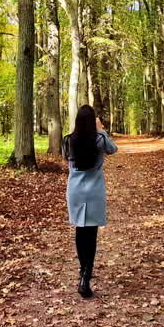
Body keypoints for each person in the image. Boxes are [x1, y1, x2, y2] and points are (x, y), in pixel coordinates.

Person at [62, 105, 118, 298]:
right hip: (94, 190)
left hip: (76, 190)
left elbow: (66, 159)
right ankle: (86, 275)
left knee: (80, 229)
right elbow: (114, 149)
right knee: (91, 233)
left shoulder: (68, 140)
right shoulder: (100, 139)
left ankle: (82, 269)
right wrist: (101, 129)